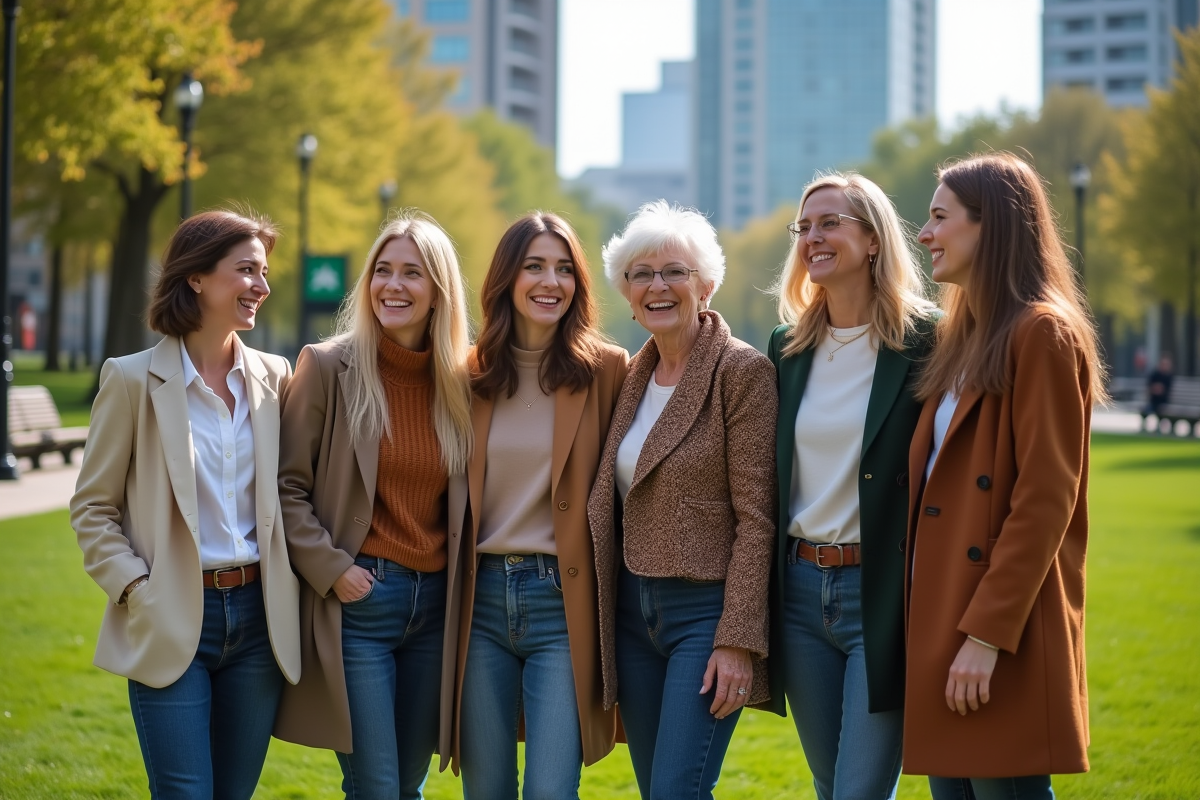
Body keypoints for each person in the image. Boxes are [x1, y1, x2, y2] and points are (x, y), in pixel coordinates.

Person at [70, 209, 300, 799]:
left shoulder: (276, 378)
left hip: (258, 623)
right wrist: (134, 587)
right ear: (196, 277)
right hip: (171, 614)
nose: (262, 287)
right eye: (246, 270)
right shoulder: (130, 380)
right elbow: (93, 507)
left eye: (264, 272)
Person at [908, 153, 1107, 800]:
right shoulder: (963, 337)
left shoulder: (1042, 333)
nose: (924, 234)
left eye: (939, 217)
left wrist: (987, 636)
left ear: (988, 225)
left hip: (998, 631)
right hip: (945, 621)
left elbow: (1046, 499)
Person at [272, 212, 474, 800]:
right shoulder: (329, 366)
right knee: (378, 787)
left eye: (412, 273)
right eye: (382, 271)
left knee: (405, 786)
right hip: (360, 605)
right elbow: (285, 487)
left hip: (436, 607)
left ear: (439, 292)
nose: (393, 285)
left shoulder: (461, 380)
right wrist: (335, 572)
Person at [587, 201, 777, 800]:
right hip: (631, 615)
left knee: (677, 788)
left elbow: (758, 518)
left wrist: (737, 639)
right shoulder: (629, 377)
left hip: (705, 617)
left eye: (675, 271)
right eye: (641, 274)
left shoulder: (742, 372)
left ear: (707, 284)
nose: (657, 286)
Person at [764, 172, 937, 800]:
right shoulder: (787, 348)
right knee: (828, 781)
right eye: (804, 227)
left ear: (872, 239)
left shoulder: (927, 341)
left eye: (829, 223)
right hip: (801, 592)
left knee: (859, 789)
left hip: (884, 593)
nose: (812, 237)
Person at [453, 212, 628, 799]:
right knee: (488, 789)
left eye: (563, 269)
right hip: (479, 604)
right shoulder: (467, 373)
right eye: (534, 267)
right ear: (507, 279)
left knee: (553, 789)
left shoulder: (607, 370)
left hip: (562, 602)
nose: (550, 281)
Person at [1144, 353, 1174, 422]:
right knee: (1148, 410)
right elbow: (1150, 386)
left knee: (1160, 409)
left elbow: (1165, 390)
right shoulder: (1155, 374)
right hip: (1153, 400)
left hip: (1163, 401)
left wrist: (1158, 389)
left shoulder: (1169, 376)